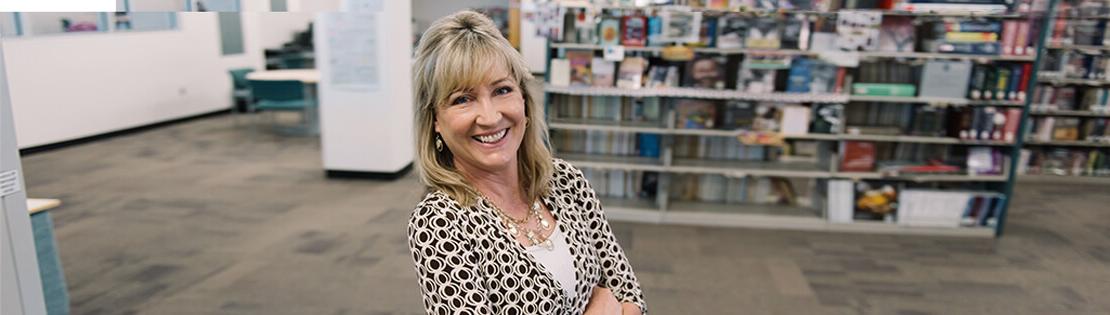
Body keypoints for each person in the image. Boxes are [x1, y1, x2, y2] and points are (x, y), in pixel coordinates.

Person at [407, 11, 647, 314]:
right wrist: (602, 307)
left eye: (502, 90)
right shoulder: (440, 222)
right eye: (462, 99)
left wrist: (619, 303)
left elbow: (629, 292)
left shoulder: (565, 180)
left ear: (524, 100)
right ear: (435, 121)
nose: (491, 117)